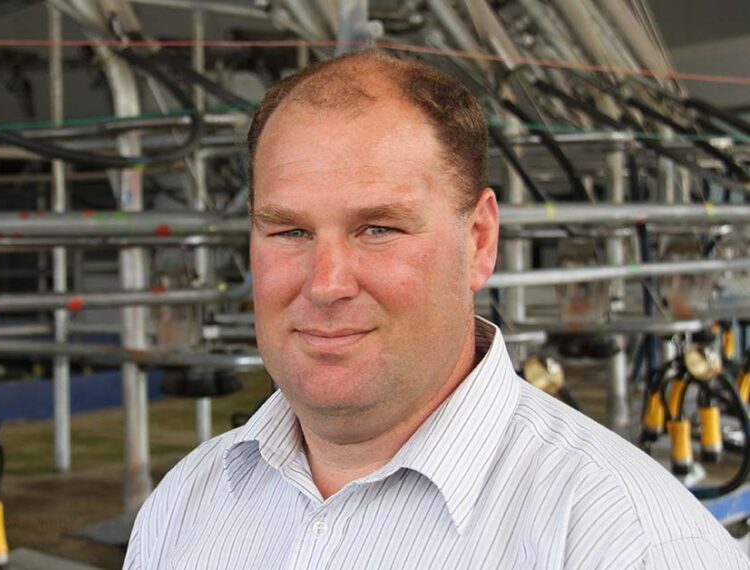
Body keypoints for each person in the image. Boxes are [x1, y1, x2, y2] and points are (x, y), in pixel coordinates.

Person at [124, 50, 750, 569]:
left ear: (479, 241)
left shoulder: (626, 545)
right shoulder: (187, 503)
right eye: (289, 232)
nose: (326, 284)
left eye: (378, 229)